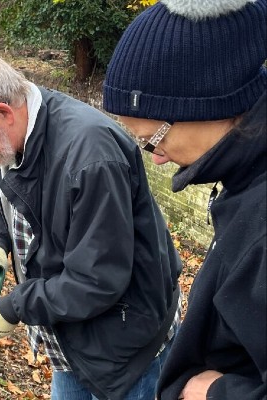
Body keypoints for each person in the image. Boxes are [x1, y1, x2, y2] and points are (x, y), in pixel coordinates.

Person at [0, 53, 182, 399]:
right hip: (69, 339)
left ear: (2, 113)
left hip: (125, 348)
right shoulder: (4, 143)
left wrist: (15, 306)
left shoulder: (91, 157)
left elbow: (97, 279)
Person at [102, 0, 267, 399]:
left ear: (211, 102)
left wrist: (216, 394)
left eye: (154, 139)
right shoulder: (244, 182)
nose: (156, 157)